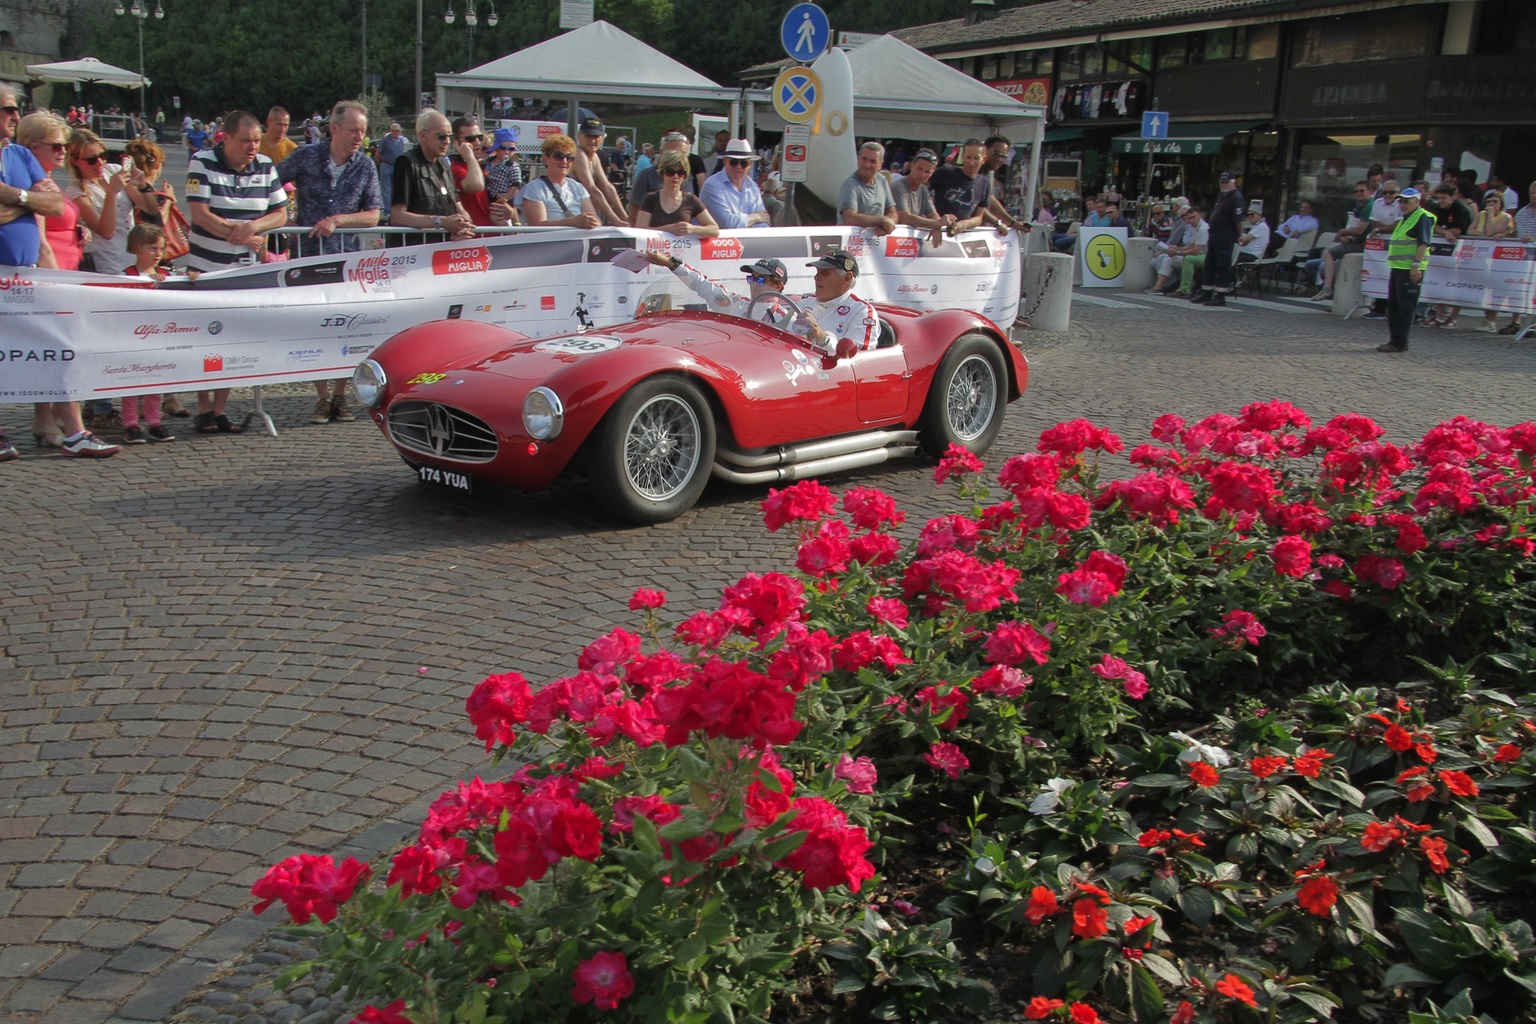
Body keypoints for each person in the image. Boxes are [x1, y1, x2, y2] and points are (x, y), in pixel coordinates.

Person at [8, 105, 118, 460]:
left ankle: (53, 424)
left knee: (48, 351)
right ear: (32, 145)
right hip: (37, 273)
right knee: (53, 349)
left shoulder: (31, 170)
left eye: (63, 147)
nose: (62, 153)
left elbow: (55, 207)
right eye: (55, 146)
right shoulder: (22, 165)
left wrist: (28, 203)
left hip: (47, 271)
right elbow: (42, 231)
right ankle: (65, 427)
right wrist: (28, 204)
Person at [185, 110, 291, 435]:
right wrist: (234, 230)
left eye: (256, 140)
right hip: (206, 268)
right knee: (205, 341)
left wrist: (253, 227)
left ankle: (220, 409)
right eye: (245, 141)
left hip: (244, 271)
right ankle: (202, 407)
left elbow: (281, 213)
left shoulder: (264, 166)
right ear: (225, 138)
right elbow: (200, 214)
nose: (252, 147)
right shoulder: (201, 162)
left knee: (234, 342)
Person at [279, 99, 382, 424]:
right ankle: (322, 398)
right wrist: (282, 216)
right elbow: (270, 181)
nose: (358, 137)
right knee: (314, 327)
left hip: (345, 260)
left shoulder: (365, 165)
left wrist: (338, 219)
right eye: (353, 130)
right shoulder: (305, 156)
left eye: (362, 131)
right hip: (308, 258)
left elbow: (374, 215)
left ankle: (341, 395)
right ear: (334, 128)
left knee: (345, 328)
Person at [66, 128, 160, 277]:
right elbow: (106, 232)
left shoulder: (113, 170)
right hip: (108, 263)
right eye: (92, 160)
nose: (100, 162)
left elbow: (151, 209)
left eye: (103, 156)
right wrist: (111, 192)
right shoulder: (76, 191)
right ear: (75, 161)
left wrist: (144, 186)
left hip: (133, 259)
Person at [117, 224, 177, 445]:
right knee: (131, 381)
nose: (157, 254)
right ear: (136, 249)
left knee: (156, 380)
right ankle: (130, 423)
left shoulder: (167, 276)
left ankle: (154, 421)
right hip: (133, 338)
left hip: (158, 338)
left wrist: (191, 276)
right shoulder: (125, 277)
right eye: (152, 249)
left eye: (160, 249)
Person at [391, 109, 475, 244]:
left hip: (443, 248)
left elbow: (458, 206)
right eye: (441, 136)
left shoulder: (444, 164)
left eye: (450, 136)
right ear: (423, 136)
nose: (447, 141)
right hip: (415, 250)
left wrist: (464, 225)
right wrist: (441, 222)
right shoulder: (407, 163)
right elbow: (397, 216)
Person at [645, 251, 795, 325]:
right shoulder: (736, 303)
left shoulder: (785, 318)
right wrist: (672, 265)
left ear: (778, 285)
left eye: (761, 279)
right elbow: (701, 285)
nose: (754, 284)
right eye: (751, 278)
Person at [1377, 187, 1434, 354]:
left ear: (1417, 202)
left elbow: (1423, 243)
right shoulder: (1405, 219)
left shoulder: (1422, 217)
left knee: (1405, 307)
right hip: (1399, 267)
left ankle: (1399, 343)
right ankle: (1394, 340)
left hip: (1410, 269)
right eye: (1400, 201)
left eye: (1406, 201)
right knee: (1394, 306)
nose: (1402, 204)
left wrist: (1416, 266)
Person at [795, 249, 880, 359]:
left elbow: (858, 361)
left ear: (847, 278)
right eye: (817, 272)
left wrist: (823, 338)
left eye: (825, 273)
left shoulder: (862, 311)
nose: (816, 277)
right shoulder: (805, 302)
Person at [516, 133, 600, 229]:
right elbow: (537, 226)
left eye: (569, 157)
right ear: (546, 159)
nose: (564, 161)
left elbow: (595, 220)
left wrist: (591, 222)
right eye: (558, 156)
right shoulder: (534, 188)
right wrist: (573, 222)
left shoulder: (578, 188)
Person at [1310, 181, 1374, 301]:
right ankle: (1331, 290)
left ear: (1369, 192)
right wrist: (1346, 236)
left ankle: (1327, 288)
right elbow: (1354, 227)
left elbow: (1360, 230)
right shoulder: (1359, 206)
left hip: (1364, 245)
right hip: (1357, 242)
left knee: (1329, 254)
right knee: (1329, 259)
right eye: (1356, 191)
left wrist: (1342, 232)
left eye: (1362, 191)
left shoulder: (1369, 206)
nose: (1359, 193)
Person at [633, 150, 718, 237]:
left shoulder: (691, 200)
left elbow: (714, 230)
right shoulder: (650, 199)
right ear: (662, 173)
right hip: (654, 250)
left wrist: (693, 229)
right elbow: (640, 231)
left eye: (681, 173)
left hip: (683, 249)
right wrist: (668, 229)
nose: (675, 177)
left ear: (685, 175)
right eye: (670, 172)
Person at [1423, 184, 1473, 328]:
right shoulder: (1437, 207)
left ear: (1453, 197)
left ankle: (1452, 317)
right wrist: (1444, 232)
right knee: (1441, 280)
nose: (1441, 201)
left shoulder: (1460, 209)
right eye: (1439, 198)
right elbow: (1433, 225)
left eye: (1444, 198)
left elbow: (1457, 230)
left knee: (1457, 283)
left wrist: (1446, 232)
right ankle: (1438, 316)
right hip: (1444, 249)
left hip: (1463, 250)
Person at [932, 140, 1007, 234]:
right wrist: (935, 220)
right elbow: (922, 188)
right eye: (968, 157)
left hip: (964, 236)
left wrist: (964, 224)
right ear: (962, 157)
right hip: (939, 232)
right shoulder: (945, 173)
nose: (972, 162)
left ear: (983, 160)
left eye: (976, 158)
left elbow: (979, 217)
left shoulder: (984, 183)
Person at [1193, 171, 1242, 306]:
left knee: (1222, 264)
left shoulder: (1236, 197)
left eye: (1226, 182)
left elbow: (1238, 220)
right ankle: (1206, 291)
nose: (1223, 184)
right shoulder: (1225, 197)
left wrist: (1239, 235)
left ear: (1233, 182)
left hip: (1225, 234)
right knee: (1210, 263)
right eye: (1222, 182)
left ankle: (1220, 295)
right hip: (1215, 234)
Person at [699, 139, 770, 229]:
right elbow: (727, 223)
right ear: (725, 162)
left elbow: (765, 222)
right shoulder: (712, 185)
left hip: (747, 241)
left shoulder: (752, 186)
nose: (738, 167)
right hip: (718, 242)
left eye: (744, 163)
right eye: (734, 162)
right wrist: (756, 217)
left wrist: (754, 220)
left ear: (750, 164)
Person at [572, 118, 627, 226]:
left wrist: (626, 218)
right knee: (596, 225)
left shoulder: (594, 155)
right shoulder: (579, 154)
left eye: (596, 137)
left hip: (581, 203)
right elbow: (591, 189)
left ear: (602, 138)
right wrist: (616, 221)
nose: (592, 141)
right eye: (588, 136)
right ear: (579, 136)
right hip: (571, 205)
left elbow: (607, 187)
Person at [628, 130, 692, 223]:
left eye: (683, 154)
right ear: (662, 153)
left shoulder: (687, 176)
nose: (678, 157)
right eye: (673, 153)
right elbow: (634, 212)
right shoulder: (646, 176)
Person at [891, 148, 949, 248]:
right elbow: (905, 217)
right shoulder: (898, 187)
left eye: (927, 171)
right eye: (919, 169)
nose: (922, 174)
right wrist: (936, 223)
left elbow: (933, 214)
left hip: (909, 246)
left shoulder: (923, 190)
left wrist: (937, 226)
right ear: (912, 165)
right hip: (893, 244)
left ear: (932, 173)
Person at [1147, 204, 1206, 296]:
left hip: (1205, 255)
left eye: (1193, 217)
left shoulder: (1203, 229)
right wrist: (1176, 248)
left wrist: (1178, 252)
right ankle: (1159, 286)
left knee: (1188, 259)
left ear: (1200, 216)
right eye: (1189, 218)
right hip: (1194, 254)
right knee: (1168, 258)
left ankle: (1185, 289)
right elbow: (1190, 246)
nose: (1191, 220)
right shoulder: (1195, 228)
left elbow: (1196, 250)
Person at [839, 141, 896, 236]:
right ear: (858, 159)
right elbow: (850, 218)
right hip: (851, 244)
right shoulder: (850, 185)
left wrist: (887, 224)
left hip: (876, 245)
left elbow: (893, 212)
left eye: (873, 161)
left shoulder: (882, 181)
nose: (867, 165)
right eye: (864, 159)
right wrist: (881, 220)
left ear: (880, 165)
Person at [447, 116, 490, 227]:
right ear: (455, 142)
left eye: (480, 137)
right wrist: (469, 156)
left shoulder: (482, 166)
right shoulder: (454, 168)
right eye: (470, 138)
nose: (477, 142)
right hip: (473, 236)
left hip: (492, 235)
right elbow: (476, 185)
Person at [481, 128, 522, 227]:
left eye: (511, 149)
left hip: (502, 197)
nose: (507, 151)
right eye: (503, 148)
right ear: (496, 148)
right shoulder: (487, 161)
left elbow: (516, 185)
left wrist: (506, 198)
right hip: (487, 195)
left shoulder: (512, 166)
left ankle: (509, 233)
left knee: (496, 217)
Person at [377, 122, 408, 217]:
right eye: (392, 131)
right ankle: (387, 212)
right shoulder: (385, 140)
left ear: (400, 132)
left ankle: (396, 211)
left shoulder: (404, 141)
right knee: (386, 190)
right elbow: (378, 154)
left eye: (397, 131)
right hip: (386, 165)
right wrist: (380, 164)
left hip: (398, 167)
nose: (394, 133)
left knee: (397, 189)